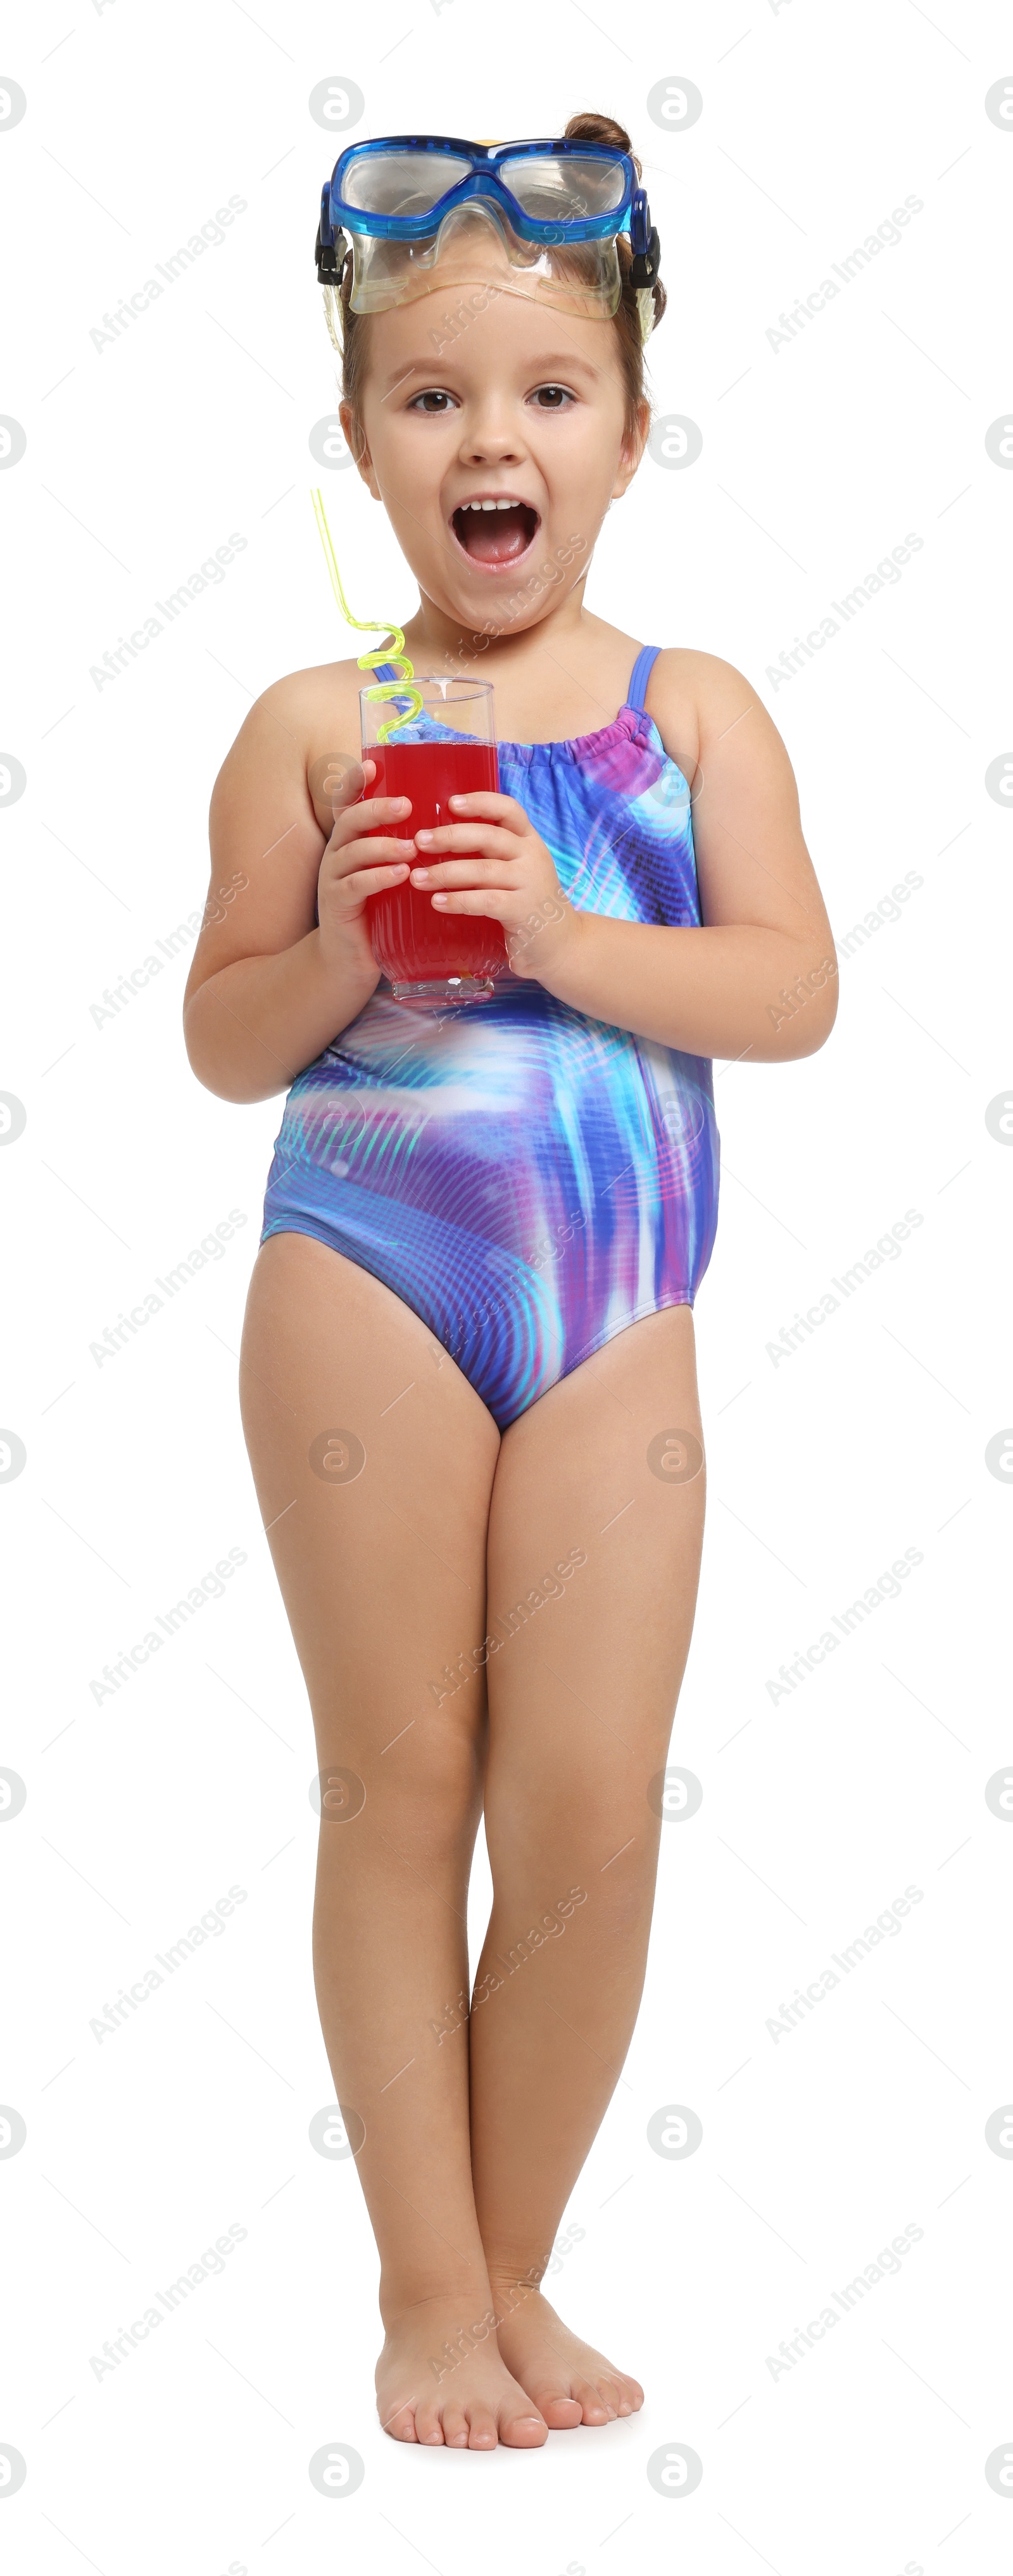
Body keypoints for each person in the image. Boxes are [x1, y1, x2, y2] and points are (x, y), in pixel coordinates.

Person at [183, 112, 838, 2452]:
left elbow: (793, 993)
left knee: (591, 1805)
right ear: (363, 441)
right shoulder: (317, 729)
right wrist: (351, 939)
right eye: (434, 398)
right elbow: (217, 1042)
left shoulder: (694, 715)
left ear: (632, 434)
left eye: (548, 398)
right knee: (405, 1777)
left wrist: (564, 936)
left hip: (617, 1310)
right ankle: (427, 2293)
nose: (495, 440)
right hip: (364, 1269)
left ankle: (527, 2254)